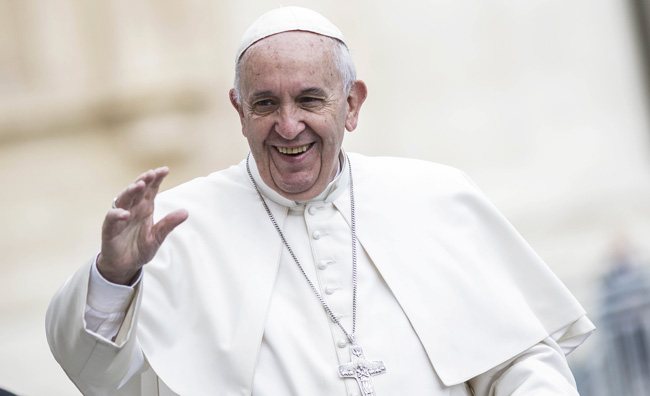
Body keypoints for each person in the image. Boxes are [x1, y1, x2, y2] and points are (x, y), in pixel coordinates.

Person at [46, 6, 595, 396]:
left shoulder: (436, 198)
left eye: (310, 99)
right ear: (239, 111)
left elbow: (521, 361)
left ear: (351, 104)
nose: (289, 126)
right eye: (265, 104)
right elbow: (100, 376)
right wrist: (113, 276)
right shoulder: (178, 227)